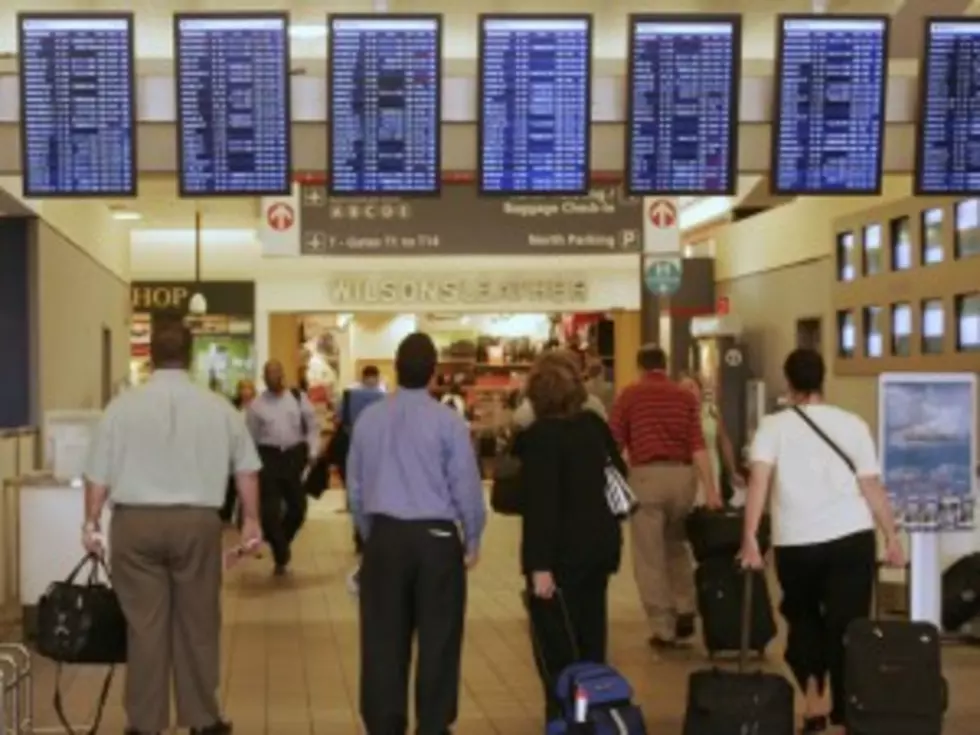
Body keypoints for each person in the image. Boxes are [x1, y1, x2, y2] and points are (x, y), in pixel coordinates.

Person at [82, 317, 262, 735]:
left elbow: (97, 476)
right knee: (198, 622)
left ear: (150, 356)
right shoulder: (219, 408)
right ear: (191, 355)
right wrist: (251, 520)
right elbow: (247, 471)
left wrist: (90, 523)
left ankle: (145, 723)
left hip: (134, 525)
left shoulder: (121, 408)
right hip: (197, 523)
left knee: (145, 626)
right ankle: (202, 718)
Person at [739, 348, 904, 735]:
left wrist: (749, 538)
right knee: (848, 625)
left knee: (804, 618)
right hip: (852, 537)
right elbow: (872, 487)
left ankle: (813, 700)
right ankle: (848, 714)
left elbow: (758, 484)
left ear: (789, 382)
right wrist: (891, 536)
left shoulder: (773, 426)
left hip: (797, 541)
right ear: (822, 379)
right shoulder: (852, 424)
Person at [347, 332, 486, 735]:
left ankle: (384, 723)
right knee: (439, 638)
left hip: (386, 536)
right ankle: (433, 723)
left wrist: (370, 534)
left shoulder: (369, 419)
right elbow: (466, 484)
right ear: (434, 374)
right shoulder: (447, 421)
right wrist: (472, 536)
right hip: (437, 541)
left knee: (382, 640)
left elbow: (356, 489)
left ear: (395, 367)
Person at [516, 350, 625, 721]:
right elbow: (618, 474)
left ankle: (564, 717)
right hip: (599, 550)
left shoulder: (540, 438)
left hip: (560, 558)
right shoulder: (594, 427)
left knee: (556, 648)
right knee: (592, 637)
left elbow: (541, 509)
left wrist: (538, 566)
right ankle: (593, 713)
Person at [609, 344, 721, 649]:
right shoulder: (684, 396)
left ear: (640, 367)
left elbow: (614, 442)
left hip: (646, 477)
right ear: (665, 365)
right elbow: (698, 445)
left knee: (649, 556)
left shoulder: (629, 395)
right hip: (683, 477)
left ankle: (664, 626)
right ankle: (685, 605)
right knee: (676, 545)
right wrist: (710, 489)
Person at [246, 359, 319, 575]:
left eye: (276, 373)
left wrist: (313, 451)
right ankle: (281, 552)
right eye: (268, 374)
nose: (273, 378)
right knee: (270, 511)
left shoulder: (298, 398)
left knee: (298, 507)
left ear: (283, 374)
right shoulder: (257, 406)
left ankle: (281, 542)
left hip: (292, 456)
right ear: (264, 378)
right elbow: (251, 438)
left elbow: (313, 427)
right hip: (268, 457)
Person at [330, 365, 385, 594]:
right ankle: (369, 534)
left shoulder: (350, 395)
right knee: (374, 491)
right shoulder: (383, 397)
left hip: (353, 448)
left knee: (356, 490)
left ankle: (361, 534)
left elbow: (339, 419)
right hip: (378, 452)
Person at [677, 373, 746, 506]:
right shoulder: (677, 414)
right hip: (687, 469)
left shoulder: (712, 411)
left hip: (711, 465)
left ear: (700, 389)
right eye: (683, 388)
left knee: (710, 505)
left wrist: (732, 471)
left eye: (691, 387)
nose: (688, 392)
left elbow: (724, 441)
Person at [220, 379, 257, 523]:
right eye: (243, 388)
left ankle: (244, 520)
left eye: (248, 388)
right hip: (233, 450)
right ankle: (226, 518)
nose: (245, 392)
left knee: (246, 486)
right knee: (230, 486)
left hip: (251, 449)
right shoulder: (233, 407)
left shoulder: (257, 407)